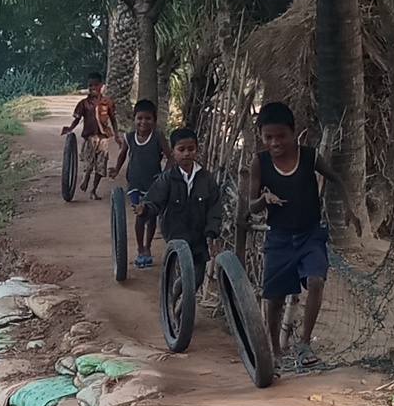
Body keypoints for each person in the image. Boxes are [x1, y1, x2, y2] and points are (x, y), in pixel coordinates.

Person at [248, 101, 362, 368]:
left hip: (310, 234)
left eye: (281, 136)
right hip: (279, 239)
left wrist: (349, 208)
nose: (275, 143)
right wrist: (264, 198)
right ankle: (275, 350)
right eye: (268, 137)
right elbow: (251, 206)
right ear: (261, 137)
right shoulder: (260, 162)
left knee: (317, 281)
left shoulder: (309, 157)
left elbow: (335, 177)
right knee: (274, 298)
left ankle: (304, 343)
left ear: (293, 131)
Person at [134, 127, 222, 288]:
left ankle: (181, 306)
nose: (186, 154)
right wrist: (145, 209)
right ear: (173, 152)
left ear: (197, 150)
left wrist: (211, 231)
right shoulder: (167, 179)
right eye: (181, 149)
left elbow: (214, 208)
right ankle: (172, 304)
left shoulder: (207, 179)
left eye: (191, 149)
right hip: (175, 234)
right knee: (177, 273)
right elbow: (155, 201)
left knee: (197, 279)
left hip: (199, 235)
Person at [109, 99, 172, 267]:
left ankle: (148, 247)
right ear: (134, 120)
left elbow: (170, 157)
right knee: (140, 215)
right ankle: (140, 249)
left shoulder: (158, 137)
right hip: (135, 182)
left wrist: (165, 175)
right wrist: (116, 168)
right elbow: (123, 154)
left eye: (148, 119)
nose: (143, 122)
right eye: (140, 118)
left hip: (153, 184)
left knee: (151, 217)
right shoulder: (129, 137)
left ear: (154, 120)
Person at [61, 72, 119, 200]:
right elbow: (77, 119)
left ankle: (93, 190)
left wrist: (116, 135)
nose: (93, 88)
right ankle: (86, 176)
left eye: (96, 85)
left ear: (101, 85)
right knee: (89, 162)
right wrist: (70, 128)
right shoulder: (84, 104)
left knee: (101, 164)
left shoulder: (107, 103)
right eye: (90, 85)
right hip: (90, 137)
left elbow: (113, 119)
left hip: (103, 137)